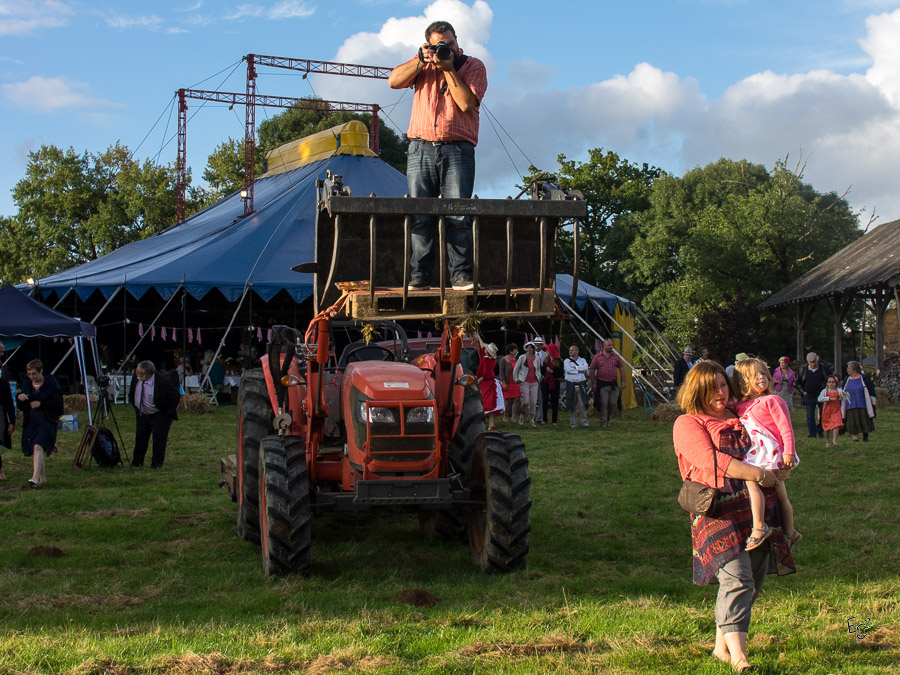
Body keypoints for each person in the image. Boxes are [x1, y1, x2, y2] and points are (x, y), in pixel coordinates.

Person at [673, 361, 794, 673]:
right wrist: (758, 474)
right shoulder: (688, 423)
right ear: (696, 391)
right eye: (712, 387)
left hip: (758, 510)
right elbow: (712, 461)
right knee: (737, 578)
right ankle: (740, 658)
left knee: (752, 581)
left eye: (723, 385)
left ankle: (720, 647)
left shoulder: (741, 412)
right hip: (718, 511)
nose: (720, 392)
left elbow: (769, 440)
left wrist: (780, 466)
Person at [388, 20, 488, 292]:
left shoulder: (473, 66)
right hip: (420, 147)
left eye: (450, 43)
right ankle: (419, 276)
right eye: (440, 45)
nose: (447, 48)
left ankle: (462, 277)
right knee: (420, 215)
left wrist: (448, 69)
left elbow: (466, 103)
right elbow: (393, 81)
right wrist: (421, 60)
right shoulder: (423, 64)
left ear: (457, 41)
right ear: (428, 45)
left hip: (458, 148)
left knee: (458, 214)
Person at [731, 359, 801, 551]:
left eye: (763, 373)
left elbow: (786, 428)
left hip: (770, 453)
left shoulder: (773, 401)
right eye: (755, 375)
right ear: (743, 382)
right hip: (755, 454)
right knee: (772, 489)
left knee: (762, 485)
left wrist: (789, 452)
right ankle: (790, 532)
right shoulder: (739, 405)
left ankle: (761, 527)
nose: (762, 377)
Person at [17, 359, 64, 488]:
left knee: (38, 446)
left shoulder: (51, 384)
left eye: (34, 374)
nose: (32, 377)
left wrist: (41, 404)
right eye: (29, 374)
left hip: (47, 421)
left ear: (41, 371)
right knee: (36, 448)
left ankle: (34, 478)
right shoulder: (26, 385)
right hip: (32, 421)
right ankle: (42, 479)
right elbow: (22, 406)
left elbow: (58, 403)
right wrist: (20, 398)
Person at [128, 360, 181, 469]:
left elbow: (175, 395)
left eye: (140, 373)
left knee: (159, 440)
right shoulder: (136, 378)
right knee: (140, 438)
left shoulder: (162, 381)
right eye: (137, 372)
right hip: (142, 413)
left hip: (158, 414)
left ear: (148, 373)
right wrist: (136, 406)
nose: (138, 374)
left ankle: (156, 464)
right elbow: (132, 392)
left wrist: (167, 413)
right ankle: (137, 462)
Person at [590, 338, 627, 428]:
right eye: (609, 345)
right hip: (602, 384)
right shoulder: (597, 357)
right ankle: (603, 422)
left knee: (612, 403)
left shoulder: (616, 357)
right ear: (604, 346)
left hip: (613, 383)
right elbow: (592, 369)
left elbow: (621, 368)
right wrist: (593, 382)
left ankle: (608, 418)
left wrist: (623, 380)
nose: (611, 347)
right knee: (604, 403)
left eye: (611, 345)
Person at [797, 352, 831, 438]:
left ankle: (820, 430)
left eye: (814, 362)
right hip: (809, 395)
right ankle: (812, 434)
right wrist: (803, 392)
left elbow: (830, 379)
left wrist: (828, 390)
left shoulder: (824, 368)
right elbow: (798, 382)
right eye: (810, 362)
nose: (812, 364)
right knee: (810, 416)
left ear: (817, 360)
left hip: (822, 395)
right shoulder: (803, 369)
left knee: (824, 415)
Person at [841, 361, 876, 442]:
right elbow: (843, 390)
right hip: (850, 405)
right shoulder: (847, 379)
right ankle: (855, 439)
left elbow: (871, 390)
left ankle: (865, 437)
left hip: (862, 404)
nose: (847, 370)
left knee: (864, 420)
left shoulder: (864, 378)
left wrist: (873, 402)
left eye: (849, 368)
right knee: (852, 422)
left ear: (854, 369)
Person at [475, 342, 503, 431]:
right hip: (492, 381)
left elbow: (484, 374)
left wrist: (477, 381)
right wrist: (478, 338)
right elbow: (482, 348)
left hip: (485, 382)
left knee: (484, 402)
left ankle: (485, 423)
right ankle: (491, 423)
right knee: (490, 403)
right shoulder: (492, 360)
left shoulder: (484, 360)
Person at [513, 342, 541, 426]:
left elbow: (538, 369)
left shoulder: (537, 358)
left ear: (533, 349)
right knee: (525, 401)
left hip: (534, 382)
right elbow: (516, 369)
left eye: (531, 347)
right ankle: (522, 416)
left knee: (533, 402)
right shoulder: (522, 357)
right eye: (528, 347)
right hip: (524, 381)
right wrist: (516, 379)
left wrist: (539, 377)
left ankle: (532, 419)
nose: (529, 349)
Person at [817, 375, 849, 447]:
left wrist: (846, 394)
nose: (831, 384)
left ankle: (834, 440)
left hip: (836, 410)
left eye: (833, 382)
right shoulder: (824, 391)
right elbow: (819, 399)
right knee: (827, 426)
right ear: (827, 383)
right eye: (829, 382)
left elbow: (846, 398)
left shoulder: (839, 391)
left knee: (836, 423)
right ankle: (827, 441)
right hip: (827, 410)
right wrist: (829, 398)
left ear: (836, 383)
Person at [563, 345, 590, 428]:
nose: (570, 352)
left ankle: (584, 422)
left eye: (572, 350)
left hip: (581, 384)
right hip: (571, 384)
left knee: (582, 404)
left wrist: (576, 367)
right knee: (572, 404)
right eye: (570, 350)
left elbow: (585, 367)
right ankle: (573, 423)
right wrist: (579, 370)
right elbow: (568, 370)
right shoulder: (567, 361)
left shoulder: (582, 360)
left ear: (577, 351)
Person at [0, 343, 15, 481]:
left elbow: (9, 404)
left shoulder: (3, 384)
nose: (2, 353)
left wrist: (12, 421)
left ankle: (0, 471)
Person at [540, 343, 563, 425]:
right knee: (545, 400)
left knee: (555, 401)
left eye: (547, 350)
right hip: (546, 382)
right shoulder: (546, 360)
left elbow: (560, 373)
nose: (546, 351)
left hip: (555, 382)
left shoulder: (559, 361)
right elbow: (543, 371)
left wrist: (552, 371)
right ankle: (544, 419)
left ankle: (554, 420)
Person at [498, 343, 520, 424]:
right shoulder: (503, 360)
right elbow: (501, 373)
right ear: (511, 351)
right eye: (515, 350)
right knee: (508, 400)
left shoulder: (516, 359)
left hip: (515, 382)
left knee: (517, 399)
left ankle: (514, 417)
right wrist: (504, 382)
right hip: (508, 382)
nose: (516, 351)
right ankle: (505, 416)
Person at [533, 337, 547, 424]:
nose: (537, 347)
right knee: (533, 399)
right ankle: (532, 416)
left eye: (539, 345)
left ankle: (539, 417)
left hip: (543, 378)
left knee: (542, 398)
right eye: (536, 345)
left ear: (542, 345)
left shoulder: (546, 354)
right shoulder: (530, 355)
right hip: (533, 378)